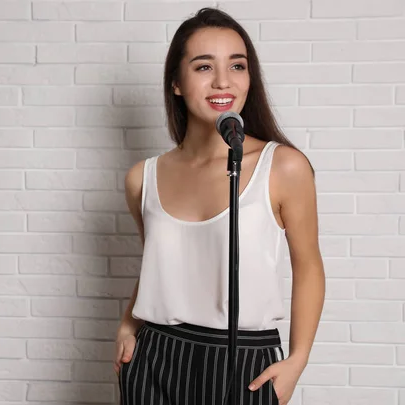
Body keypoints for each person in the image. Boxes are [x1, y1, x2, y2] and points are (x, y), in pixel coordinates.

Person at [113, 7, 325, 405]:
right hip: (153, 357)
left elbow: (309, 265)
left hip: (245, 364)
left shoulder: (282, 167)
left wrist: (297, 360)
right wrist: (128, 323)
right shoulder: (143, 177)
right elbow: (159, 265)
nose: (223, 81)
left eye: (238, 65)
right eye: (203, 67)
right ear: (176, 82)